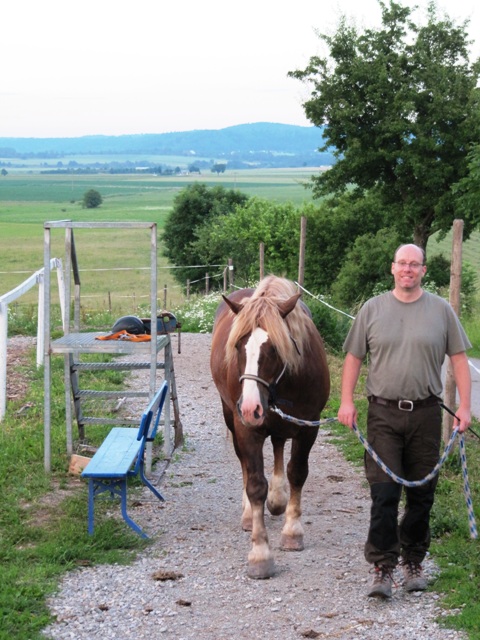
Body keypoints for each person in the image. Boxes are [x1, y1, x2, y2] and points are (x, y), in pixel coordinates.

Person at [337, 243, 472, 598]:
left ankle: (413, 561)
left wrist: (465, 407)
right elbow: (353, 358)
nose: (408, 269)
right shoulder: (372, 309)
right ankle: (383, 566)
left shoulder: (441, 311)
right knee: (384, 493)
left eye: (415, 264)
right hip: (383, 413)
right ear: (392, 268)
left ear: (424, 271)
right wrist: (346, 401)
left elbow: (459, 361)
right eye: (402, 263)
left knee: (421, 493)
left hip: (427, 414)